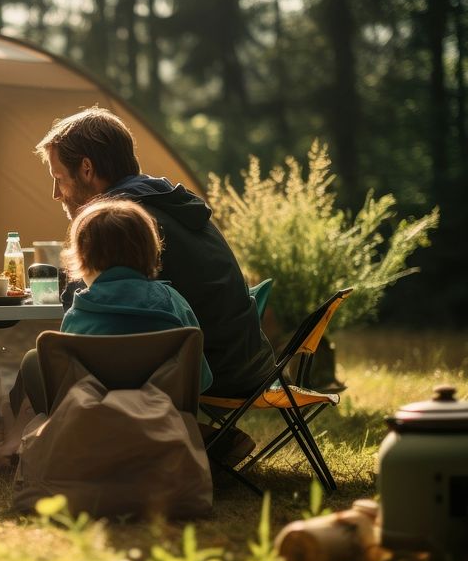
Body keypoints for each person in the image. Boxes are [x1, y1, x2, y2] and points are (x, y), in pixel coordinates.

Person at [34, 106, 276, 464]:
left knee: (43, 364)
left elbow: (84, 320)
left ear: (86, 168)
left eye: (59, 178)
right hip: (247, 359)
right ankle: (202, 438)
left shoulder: (119, 222)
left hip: (205, 372)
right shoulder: (166, 201)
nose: (56, 193)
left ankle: (50, 447)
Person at [19, 198, 213, 411]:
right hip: (165, 429)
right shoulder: (173, 301)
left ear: (83, 259)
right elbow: (201, 380)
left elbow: (66, 386)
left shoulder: (79, 313)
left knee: (32, 361)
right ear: (150, 252)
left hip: (93, 430)